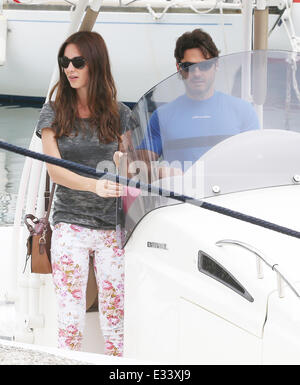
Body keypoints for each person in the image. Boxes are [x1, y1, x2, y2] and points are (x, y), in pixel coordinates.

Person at [36, 31, 132, 356]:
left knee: (116, 320)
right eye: (65, 62)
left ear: (96, 63)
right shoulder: (52, 112)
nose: (70, 69)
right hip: (70, 225)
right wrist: (95, 185)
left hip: (112, 229)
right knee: (70, 319)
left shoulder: (120, 114)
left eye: (78, 62)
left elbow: (130, 167)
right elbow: (54, 170)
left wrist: (123, 163)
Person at [136, 28, 260, 171]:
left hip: (229, 192)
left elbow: (254, 161)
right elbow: (141, 163)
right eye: (188, 66)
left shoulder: (243, 111)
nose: (196, 73)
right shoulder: (162, 116)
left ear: (216, 64)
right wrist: (129, 159)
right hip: (179, 192)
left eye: (204, 65)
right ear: (178, 68)